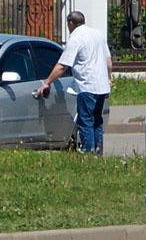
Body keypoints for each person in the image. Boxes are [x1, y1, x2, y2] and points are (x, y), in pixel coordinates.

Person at [37, 11, 112, 154]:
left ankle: (88, 152)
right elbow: (108, 60)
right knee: (97, 120)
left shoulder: (76, 38)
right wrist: (108, 77)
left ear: (70, 23)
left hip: (87, 85)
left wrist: (47, 82)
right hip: (102, 86)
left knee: (85, 121)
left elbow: (62, 65)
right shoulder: (97, 34)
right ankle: (97, 152)